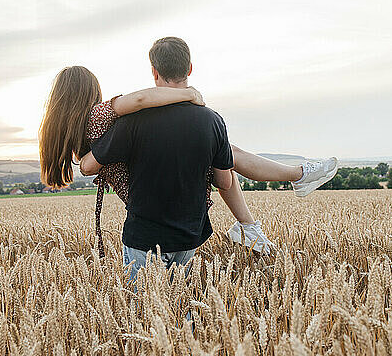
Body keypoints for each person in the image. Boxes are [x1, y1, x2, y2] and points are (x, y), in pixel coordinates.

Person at [69, 37, 337, 279]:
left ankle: (280, 193)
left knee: (146, 314)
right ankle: (285, 187)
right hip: (187, 230)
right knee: (228, 155)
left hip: (145, 225)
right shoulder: (209, 119)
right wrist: (190, 97)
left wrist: (94, 160)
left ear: (154, 72)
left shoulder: (128, 123)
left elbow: (89, 165)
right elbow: (224, 180)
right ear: (190, 69)